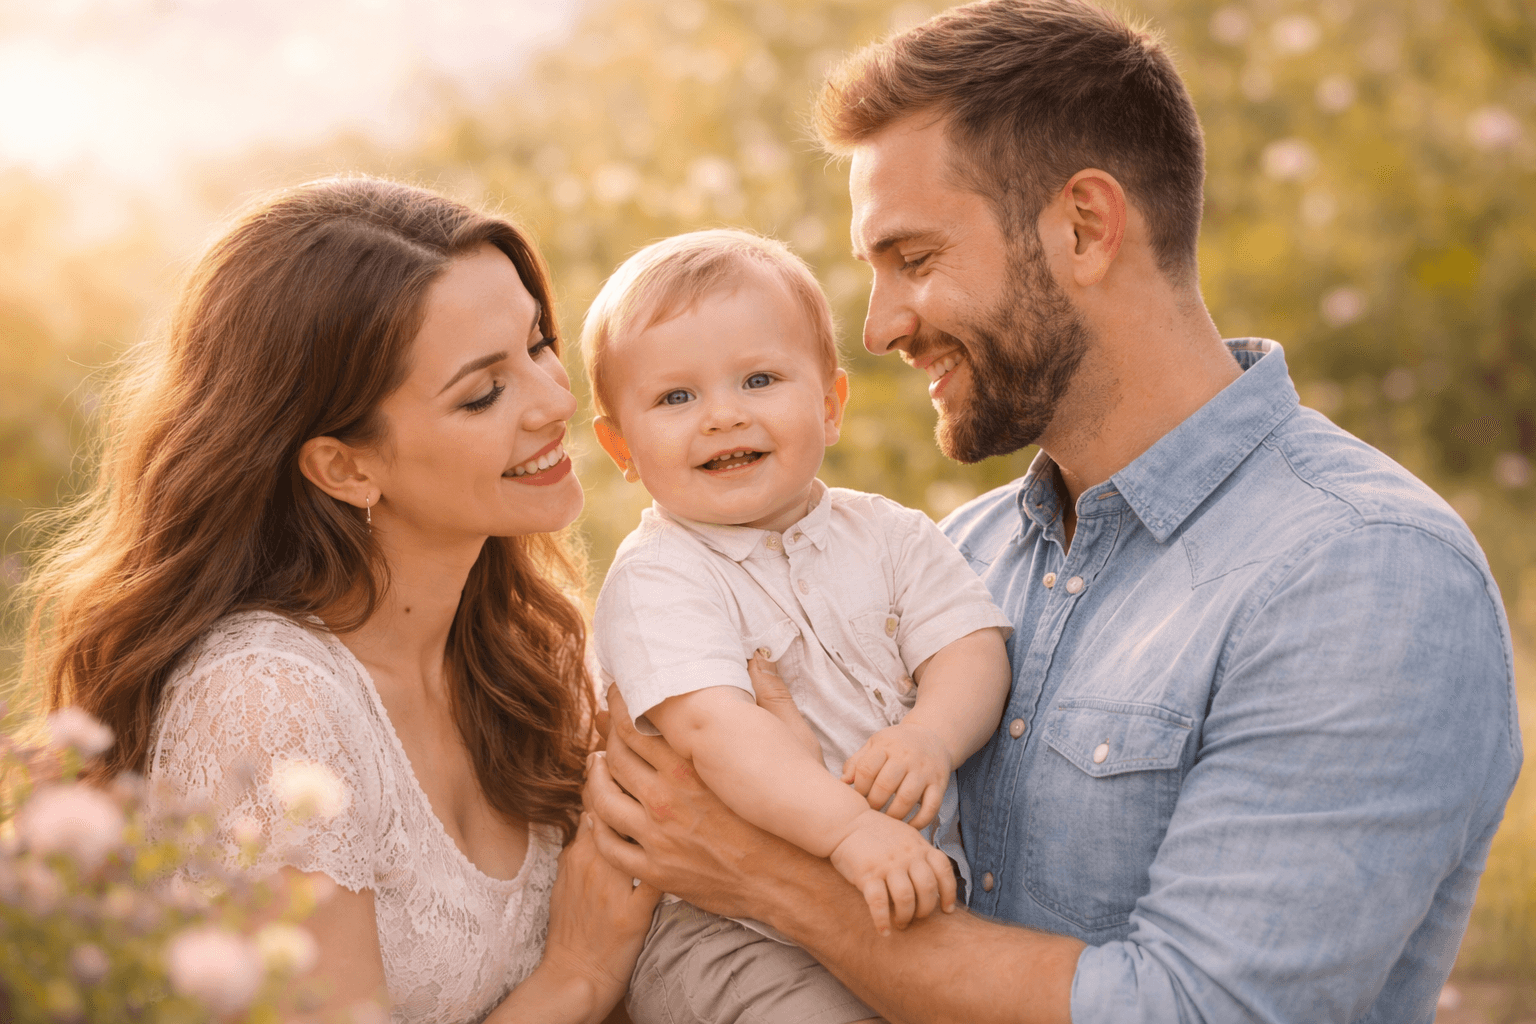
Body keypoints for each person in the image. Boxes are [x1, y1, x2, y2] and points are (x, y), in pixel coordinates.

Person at [583, 2, 1523, 1023]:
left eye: (915, 259)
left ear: (1084, 227)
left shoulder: (1363, 572)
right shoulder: (961, 554)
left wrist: (772, 880)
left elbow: (1197, 1010)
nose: (880, 325)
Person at [22, 178, 658, 1024]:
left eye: (538, 345)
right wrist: (578, 972)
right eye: (483, 393)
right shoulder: (268, 706)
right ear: (344, 467)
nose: (556, 401)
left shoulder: (536, 644)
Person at [581, 229, 1013, 1024]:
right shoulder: (659, 578)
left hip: (906, 889)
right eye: (675, 398)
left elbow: (970, 647)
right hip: (732, 928)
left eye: (759, 379)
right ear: (621, 447)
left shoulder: (890, 534)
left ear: (830, 406)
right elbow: (717, 731)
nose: (722, 416)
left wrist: (931, 735)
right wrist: (850, 833)